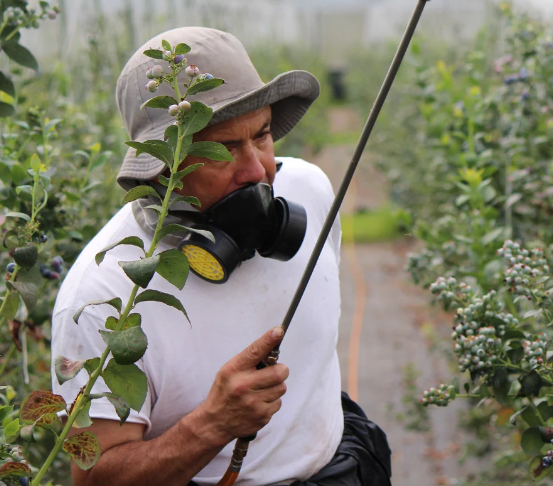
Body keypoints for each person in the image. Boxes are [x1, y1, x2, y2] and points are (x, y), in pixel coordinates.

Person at [49, 27, 391, 486]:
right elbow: (94, 478)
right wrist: (211, 425)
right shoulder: (101, 299)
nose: (259, 170)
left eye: (263, 135)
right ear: (161, 167)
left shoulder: (308, 190)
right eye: (225, 149)